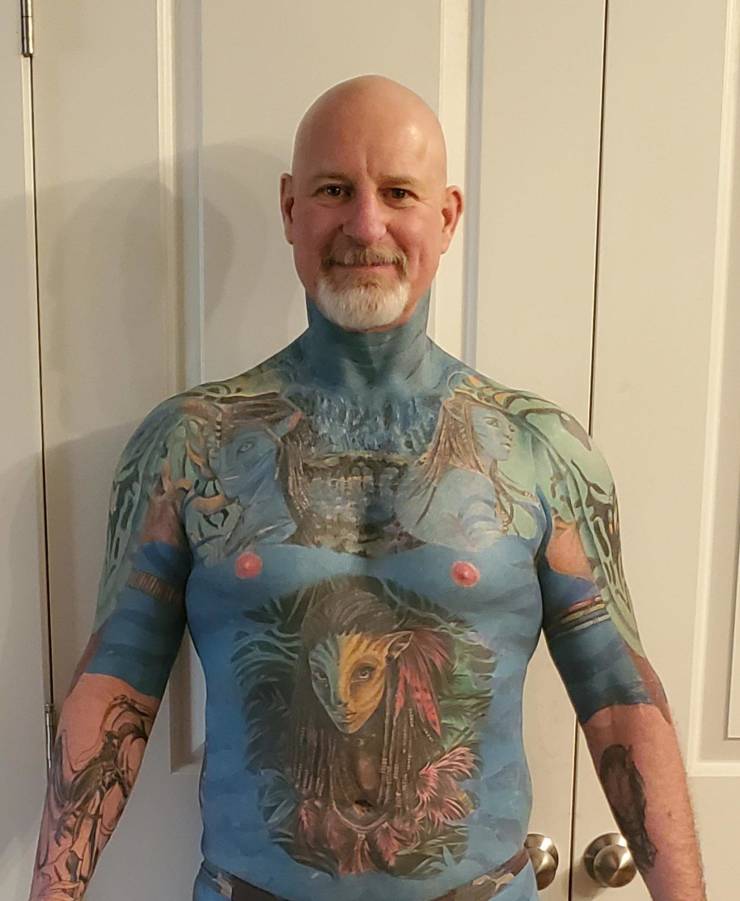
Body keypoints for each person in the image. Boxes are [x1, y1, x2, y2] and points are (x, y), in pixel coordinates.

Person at [29, 75, 705, 901]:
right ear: (291, 209)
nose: (365, 224)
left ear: (447, 217)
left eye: (398, 193)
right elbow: (116, 687)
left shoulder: (539, 452)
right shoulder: (190, 446)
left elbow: (621, 701)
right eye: (334, 191)